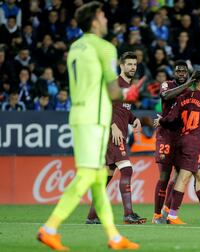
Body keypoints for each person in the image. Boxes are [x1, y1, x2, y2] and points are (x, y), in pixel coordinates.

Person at [36, 2, 140, 250]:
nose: (106, 19)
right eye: (103, 15)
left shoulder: (75, 47)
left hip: (80, 115)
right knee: (87, 175)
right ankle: (49, 228)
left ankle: (114, 237)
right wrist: (131, 93)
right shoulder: (104, 47)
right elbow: (114, 91)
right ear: (95, 21)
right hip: (94, 119)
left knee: (97, 177)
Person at [152, 61, 200, 224]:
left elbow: (173, 116)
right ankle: (168, 214)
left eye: (184, 71)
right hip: (185, 141)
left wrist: (162, 120)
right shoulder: (171, 87)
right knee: (176, 177)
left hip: (182, 138)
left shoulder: (184, 97)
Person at [86, 51, 146, 225]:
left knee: (107, 175)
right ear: (121, 66)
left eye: (134, 64)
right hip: (111, 134)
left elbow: (123, 110)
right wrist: (112, 125)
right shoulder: (114, 84)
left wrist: (133, 119)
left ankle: (92, 216)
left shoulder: (129, 87)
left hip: (118, 133)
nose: (132, 67)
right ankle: (128, 214)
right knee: (126, 170)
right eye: (129, 64)